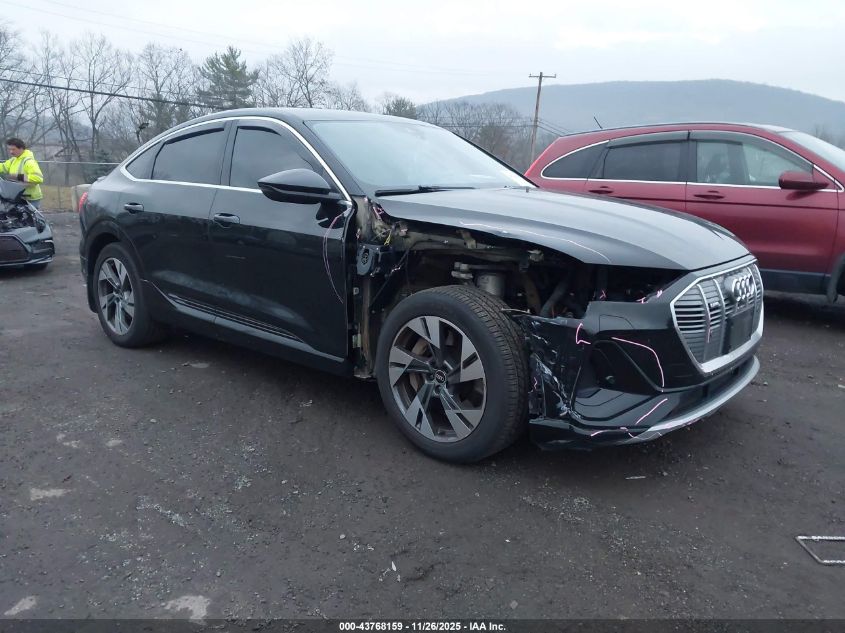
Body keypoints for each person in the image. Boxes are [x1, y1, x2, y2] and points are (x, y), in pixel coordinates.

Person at [0, 138, 44, 209]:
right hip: (18, 197)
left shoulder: (29, 161)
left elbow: (38, 178)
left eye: (13, 149)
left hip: (29, 199)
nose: (11, 152)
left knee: (27, 217)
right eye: (9, 149)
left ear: (21, 148)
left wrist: (18, 177)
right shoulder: (13, 160)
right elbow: (2, 167)